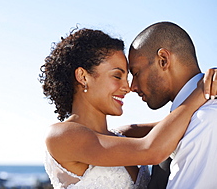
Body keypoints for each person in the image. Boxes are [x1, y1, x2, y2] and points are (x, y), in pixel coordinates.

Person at [39, 27, 216, 189]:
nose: (128, 87)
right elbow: (152, 150)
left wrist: (212, 81)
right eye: (117, 76)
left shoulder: (124, 135)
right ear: (83, 76)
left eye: (130, 76)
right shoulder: (61, 136)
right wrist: (202, 89)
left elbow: (184, 120)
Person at [124, 21, 217, 188]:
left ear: (163, 60)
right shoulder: (193, 117)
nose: (132, 87)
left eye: (136, 73)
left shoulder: (205, 119)